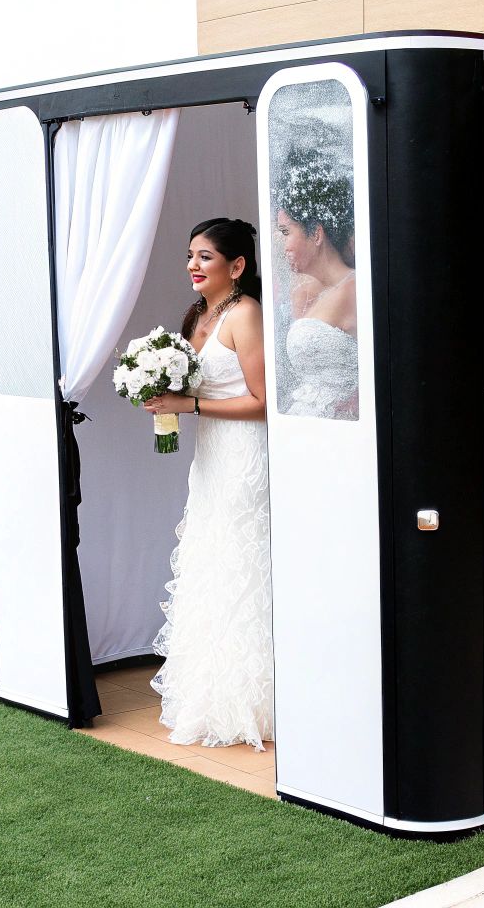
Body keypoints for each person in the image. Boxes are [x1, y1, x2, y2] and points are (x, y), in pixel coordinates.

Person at [139, 218, 275, 750]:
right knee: (210, 563)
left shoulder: (246, 314)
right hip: (210, 459)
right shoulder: (200, 313)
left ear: (237, 266)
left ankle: (256, 701)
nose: (193, 265)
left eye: (206, 257)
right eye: (190, 255)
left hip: (244, 457)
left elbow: (264, 404)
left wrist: (188, 404)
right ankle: (211, 695)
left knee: (242, 565)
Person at [273, 144, 359, 419]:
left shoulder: (354, 289)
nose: (283, 245)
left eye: (286, 232)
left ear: (316, 234)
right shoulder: (311, 291)